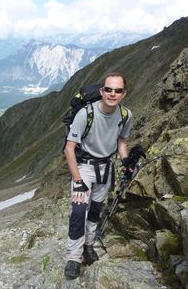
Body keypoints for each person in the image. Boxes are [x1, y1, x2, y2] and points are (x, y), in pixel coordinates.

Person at [63, 72, 133, 279]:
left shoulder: (125, 115)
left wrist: (126, 161)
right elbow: (69, 148)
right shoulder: (86, 113)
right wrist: (78, 180)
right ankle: (73, 258)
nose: (113, 94)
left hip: (106, 169)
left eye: (118, 90)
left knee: (95, 211)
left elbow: (121, 141)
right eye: (109, 89)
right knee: (78, 213)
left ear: (124, 94)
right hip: (83, 168)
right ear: (102, 91)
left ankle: (89, 246)